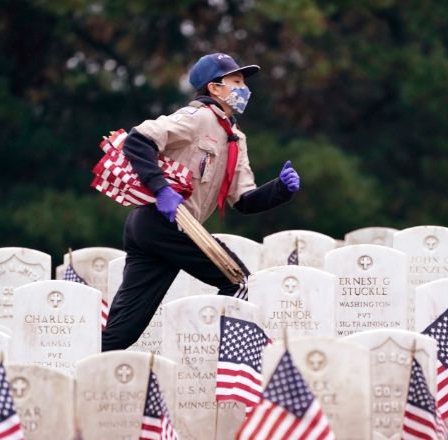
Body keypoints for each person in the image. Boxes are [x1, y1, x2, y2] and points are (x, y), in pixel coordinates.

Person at [102, 53, 300, 351]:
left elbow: (243, 200)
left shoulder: (235, 137)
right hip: (165, 221)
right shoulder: (198, 117)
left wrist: (280, 189)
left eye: (243, 81)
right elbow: (138, 139)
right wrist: (160, 188)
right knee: (241, 283)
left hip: (156, 230)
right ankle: (231, 360)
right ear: (214, 88)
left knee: (123, 331)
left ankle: (79, 377)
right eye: (236, 81)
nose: (244, 88)